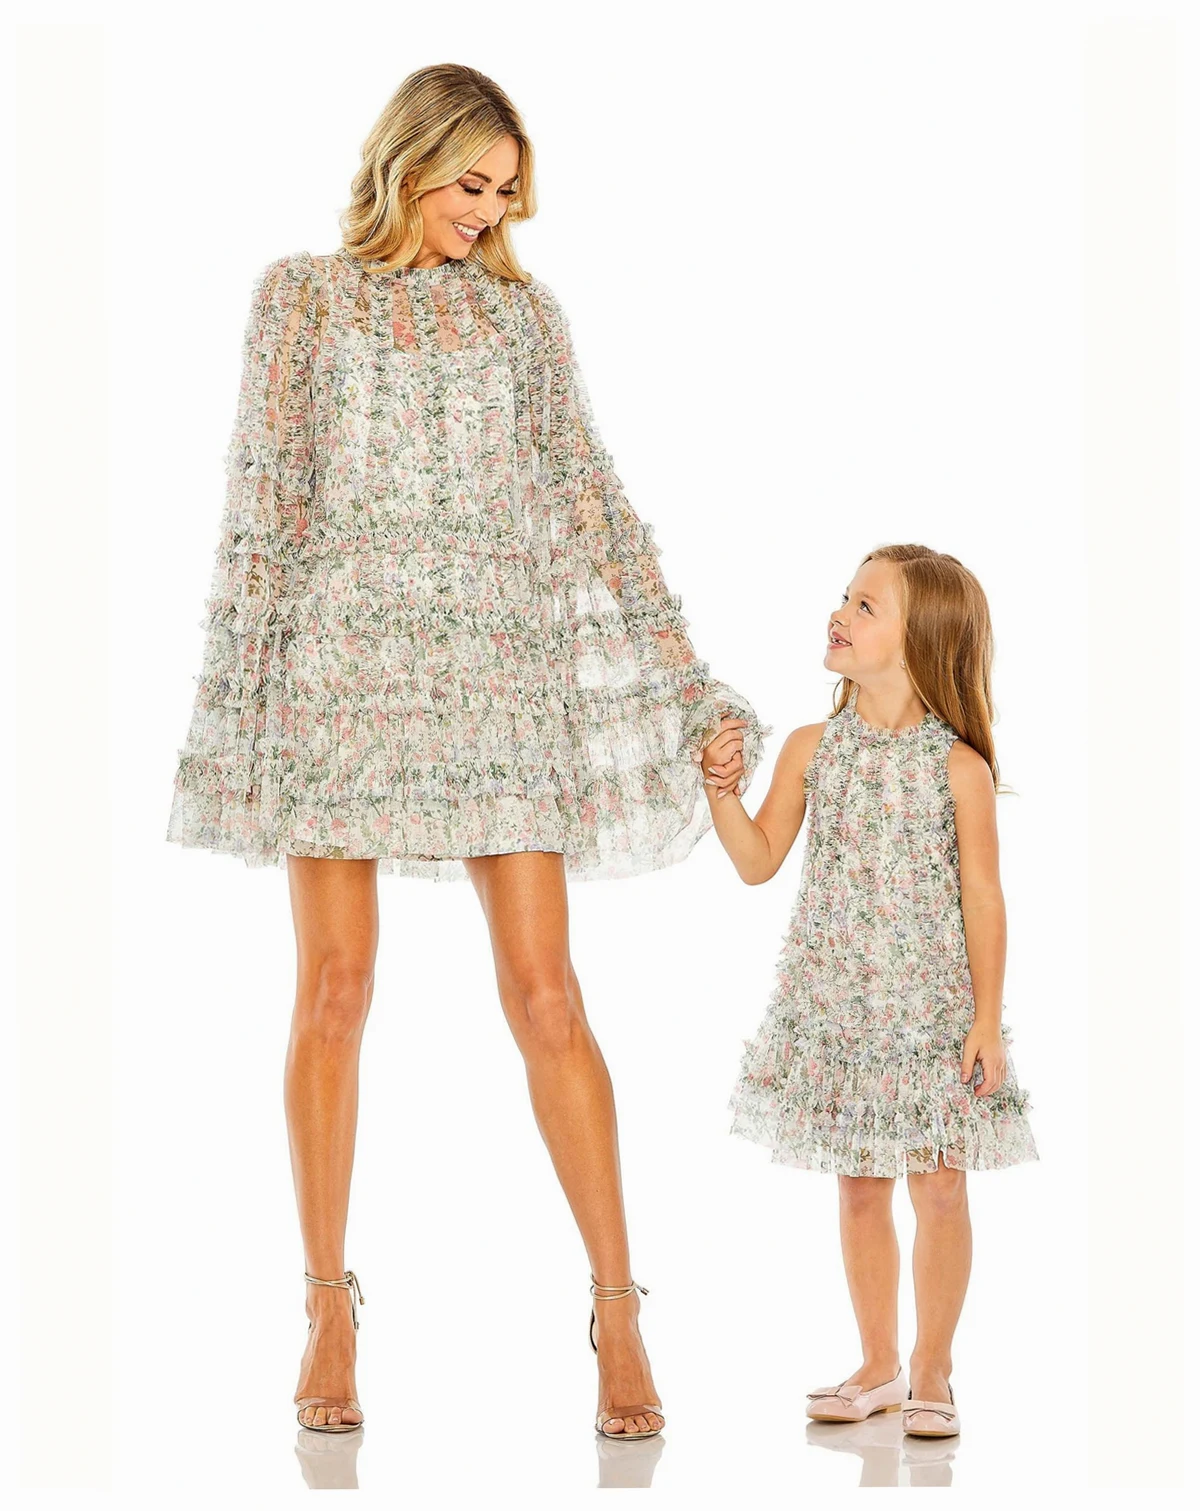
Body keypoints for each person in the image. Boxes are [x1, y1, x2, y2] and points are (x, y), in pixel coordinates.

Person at [167, 63, 767, 1439]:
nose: (487, 212)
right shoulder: (301, 298)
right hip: (343, 675)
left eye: (505, 193)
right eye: (470, 184)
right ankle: (328, 1301)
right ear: (407, 163)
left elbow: (593, 503)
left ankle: (619, 1304)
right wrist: (242, 709)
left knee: (548, 995)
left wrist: (687, 682)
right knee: (333, 989)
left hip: (502, 679)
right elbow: (264, 506)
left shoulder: (523, 317)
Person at [709, 543, 1037, 1439]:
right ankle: (879, 1361)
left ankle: (933, 1365)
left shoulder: (959, 769)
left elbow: (983, 896)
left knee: (940, 1187)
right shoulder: (813, 750)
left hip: (931, 1016)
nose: (840, 614)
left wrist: (985, 1017)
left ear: (921, 640)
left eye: (865, 605)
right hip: (840, 1011)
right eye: (844, 597)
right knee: (859, 1188)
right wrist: (722, 793)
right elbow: (757, 860)